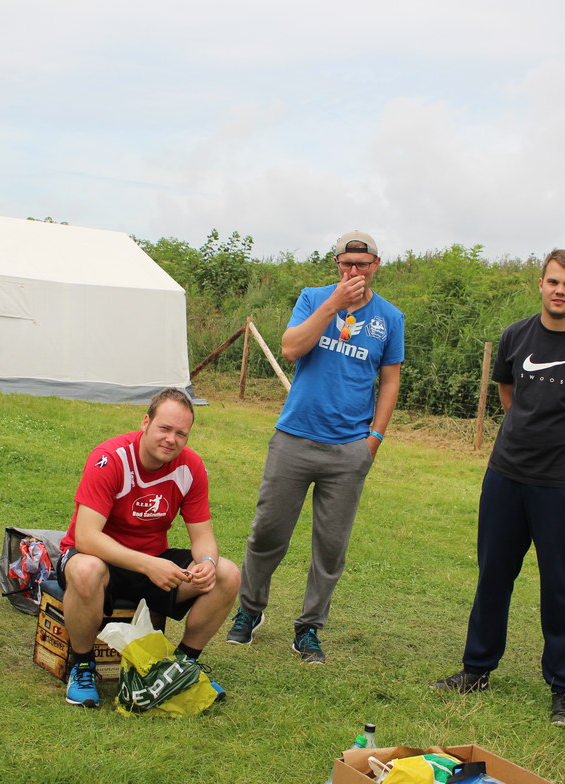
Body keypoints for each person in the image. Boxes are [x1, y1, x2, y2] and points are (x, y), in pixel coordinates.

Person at [432, 248, 565, 725]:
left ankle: (564, 687)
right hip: (507, 475)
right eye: (553, 281)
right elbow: (509, 395)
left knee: (563, 587)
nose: (560, 290)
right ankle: (476, 668)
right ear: (540, 284)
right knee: (493, 576)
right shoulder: (516, 335)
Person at [226, 230, 403, 664]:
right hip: (294, 438)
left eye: (362, 264)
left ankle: (309, 628)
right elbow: (290, 348)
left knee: (331, 546)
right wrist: (334, 304)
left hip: (349, 449)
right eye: (347, 263)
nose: (354, 271)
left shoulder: (389, 318)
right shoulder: (313, 298)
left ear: (376, 265)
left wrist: (374, 439)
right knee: (267, 532)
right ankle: (250, 610)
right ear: (337, 263)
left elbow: (390, 380)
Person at [57, 388, 239, 707]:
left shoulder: (191, 467)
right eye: (164, 428)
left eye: (181, 433)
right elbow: (86, 537)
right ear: (145, 422)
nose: (171, 439)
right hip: (98, 560)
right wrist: (148, 564)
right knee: (86, 569)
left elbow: (203, 537)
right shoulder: (110, 458)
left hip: (152, 564)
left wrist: (208, 563)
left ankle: (182, 667)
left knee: (227, 573)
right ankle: (82, 666)